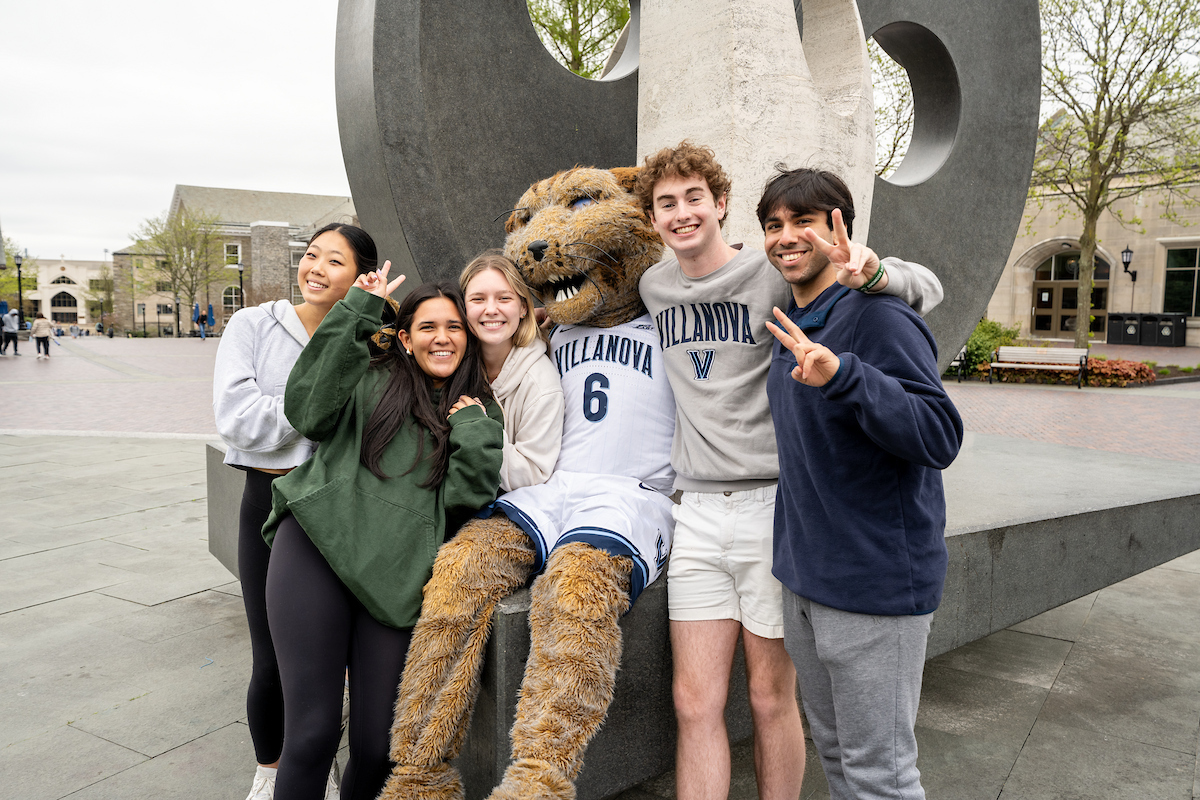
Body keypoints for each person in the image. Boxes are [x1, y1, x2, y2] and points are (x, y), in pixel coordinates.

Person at [635, 142, 943, 800]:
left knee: (781, 704)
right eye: (667, 203)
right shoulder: (653, 288)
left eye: (695, 198)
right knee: (703, 706)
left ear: (720, 206)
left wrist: (877, 275)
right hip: (703, 514)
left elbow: (922, 293)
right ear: (653, 218)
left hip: (778, 511)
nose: (682, 212)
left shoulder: (787, 279)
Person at [761, 167, 963, 800]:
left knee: (882, 774)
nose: (786, 237)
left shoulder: (877, 315)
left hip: (874, 584)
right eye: (774, 225)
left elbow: (938, 434)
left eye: (804, 222)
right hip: (807, 581)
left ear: (839, 230)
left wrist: (846, 376)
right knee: (840, 760)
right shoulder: (792, 319)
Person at [263, 273, 504, 800]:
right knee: (313, 733)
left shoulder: (477, 410)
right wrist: (357, 311)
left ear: (468, 337)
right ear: (404, 336)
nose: (442, 337)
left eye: (454, 327)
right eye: (427, 327)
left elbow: (466, 505)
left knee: (378, 747)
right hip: (315, 553)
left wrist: (475, 433)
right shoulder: (370, 375)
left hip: (394, 583)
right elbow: (306, 410)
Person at [213, 222, 378, 800]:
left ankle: (316, 768)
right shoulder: (252, 323)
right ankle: (269, 770)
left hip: (335, 511)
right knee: (271, 659)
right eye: (311, 255)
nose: (316, 268)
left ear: (360, 277)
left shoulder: (367, 335)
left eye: (335, 261)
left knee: (330, 665)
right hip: (267, 500)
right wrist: (313, 410)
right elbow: (236, 418)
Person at [459, 250, 564, 491]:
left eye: (504, 298)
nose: (491, 309)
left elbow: (533, 473)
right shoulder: (453, 362)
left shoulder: (541, 384)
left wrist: (479, 431)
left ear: (524, 308)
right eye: (478, 299)